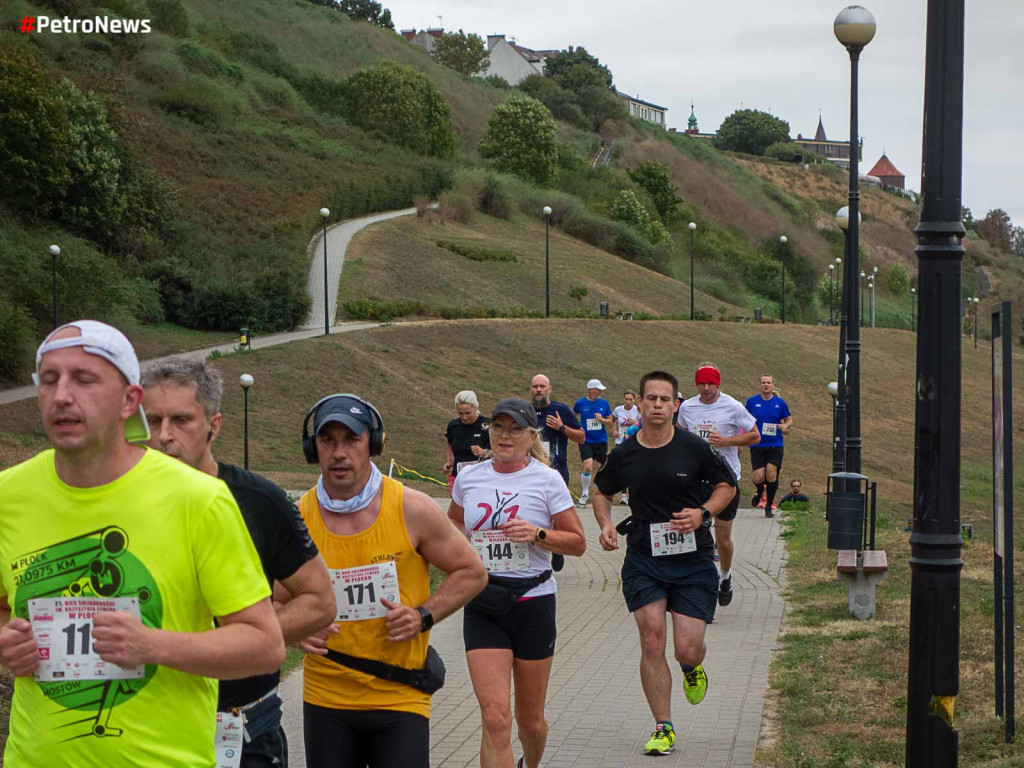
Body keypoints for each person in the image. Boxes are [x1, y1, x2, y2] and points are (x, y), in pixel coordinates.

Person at [0, 321, 284, 766]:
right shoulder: (6, 497)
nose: (62, 396)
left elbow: (264, 646)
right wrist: (7, 640)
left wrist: (152, 646)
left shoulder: (198, 499)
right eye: (49, 379)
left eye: (85, 379)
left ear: (129, 400)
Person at [142, 359, 336, 767]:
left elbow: (319, 600)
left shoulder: (260, 501)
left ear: (214, 425)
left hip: (240, 729)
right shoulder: (117, 501)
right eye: (152, 420)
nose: (163, 436)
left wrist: (240, 641)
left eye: (180, 420)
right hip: (147, 726)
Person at [288, 393, 487, 768]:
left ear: (374, 444)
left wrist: (422, 616)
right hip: (327, 697)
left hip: (400, 694)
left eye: (351, 439)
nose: (339, 452)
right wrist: (294, 631)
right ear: (312, 449)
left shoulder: (411, 507)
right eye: (327, 440)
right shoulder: (297, 519)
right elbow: (268, 599)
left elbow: (472, 572)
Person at [591, 371, 737, 756]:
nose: (657, 405)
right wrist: (605, 524)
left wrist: (702, 514)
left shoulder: (693, 448)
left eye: (664, 399)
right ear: (638, 402)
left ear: (676, 405)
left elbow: (727, 486)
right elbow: (600, 490)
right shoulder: (625, 453)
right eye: (650, 398)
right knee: (652, 636)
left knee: (686, 649)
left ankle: (692, 667)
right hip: (644, 557)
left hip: (693, 561)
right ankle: (663, 727)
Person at [448, 398, 587, 768]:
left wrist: (538, 533)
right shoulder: (469, 477)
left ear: (530, 436)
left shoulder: (547, 479)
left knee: (530, 722)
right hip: (483, 602)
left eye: (514, 429)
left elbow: (577, 543)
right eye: (497, 427)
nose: (504, 435)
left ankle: (531, 762)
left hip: (533, 603)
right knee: (495, 718)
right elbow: (452, 529)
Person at [676, 363, 759, 608]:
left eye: (710, 383)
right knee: (695, 532)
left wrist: (727, 440)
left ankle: (725, 575)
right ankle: (696, 582)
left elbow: (755, 435)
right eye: (701, 383)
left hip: (725, 480)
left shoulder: (732, 406)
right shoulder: (688, 407)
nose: (706, 388)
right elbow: (679, 433)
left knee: (722, 539)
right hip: (695, 479)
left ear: (718, 384)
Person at [744, 374, 793, 515]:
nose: (766, 385)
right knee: (758, 477)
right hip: (757, 443)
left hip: (775, 444)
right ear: (760, 385)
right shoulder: (751, 402)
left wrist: (785, 426)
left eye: (768, 383)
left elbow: (789, 420)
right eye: (763, 382)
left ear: (773, 386)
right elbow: (744, 419)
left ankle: (768, 506)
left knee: (771, 474)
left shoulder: (780, 403)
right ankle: (759, 491)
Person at [572, 378, 613, 507]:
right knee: (588, 466)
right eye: (598, 389)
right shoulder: (580, 403)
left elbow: (610, 421)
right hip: (585, 440)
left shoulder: (604, 404)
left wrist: (601, 419)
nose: (600, 392)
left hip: (600, 440)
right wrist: (576, 427)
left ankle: (603, 493)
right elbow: (572, 416)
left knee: (604, 467)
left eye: (601, 390)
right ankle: (584, 495)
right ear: (591, 390)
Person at [443, 390, 491, 494]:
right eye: (460, 413)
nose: (464, 417)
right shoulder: (453, 426)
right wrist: (449, 461)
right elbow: (449, 443)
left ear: (476, 408)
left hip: (482, 479)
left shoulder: (487, 425)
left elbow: (499, 452)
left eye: (468, 413)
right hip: (458, 477)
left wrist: (484, 452)